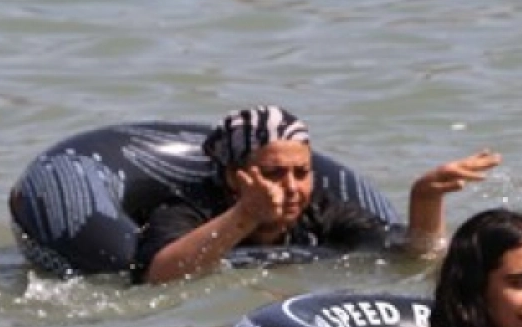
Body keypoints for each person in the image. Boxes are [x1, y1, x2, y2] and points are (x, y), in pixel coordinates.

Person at [132, 105, 501, 285]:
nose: (291, 188)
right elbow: (160, 279)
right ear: (234, 175)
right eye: (274, 174)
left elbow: (413, 259)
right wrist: (246, 215)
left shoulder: (322, 212)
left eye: (301, 173)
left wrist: (425, 200)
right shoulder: (187, 211)